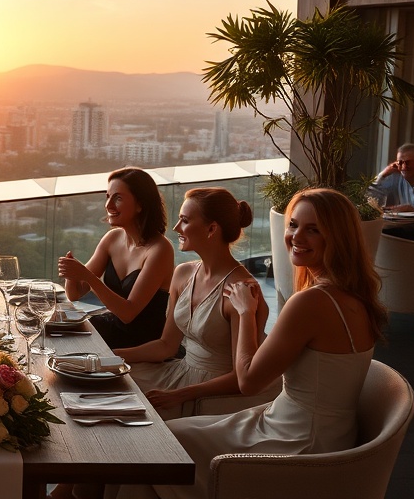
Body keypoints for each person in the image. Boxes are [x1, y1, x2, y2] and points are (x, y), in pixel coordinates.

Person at [140, 188, 385, 499]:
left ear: (337, 238)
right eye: (293, 225)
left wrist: (245, 313)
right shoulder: (355, 296)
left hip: (298, 439)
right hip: (316, 429)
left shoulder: (312, 302)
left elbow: (248, 382)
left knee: (161, 443)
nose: (296, 236)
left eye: (313, 229)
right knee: (168, 437)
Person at [115, 188, 267, 420]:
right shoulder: (184, 273)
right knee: (109, 383)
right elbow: (166, 345)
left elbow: (240, 376)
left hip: (215, 392)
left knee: (132, 411)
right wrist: (110, 356)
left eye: (184, 220)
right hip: (179, 372)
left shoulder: (242, 291)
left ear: (211, 229)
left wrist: (181, 395)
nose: (175, 228)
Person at [58, 167, 175, 348]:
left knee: (65, 342)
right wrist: (72, 275)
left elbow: (128, 313)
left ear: (140, 204)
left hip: (140, 343)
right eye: (108, 197)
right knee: (52, 333)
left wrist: (87, 276)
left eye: (118, 198)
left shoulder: (160, 250)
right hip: (112, 329)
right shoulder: (113, 238)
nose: (108, 205)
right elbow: (75, 294)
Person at [373, 143, 414, 240]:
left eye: (408, 162)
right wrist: (382, 175)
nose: (404, 166)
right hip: (400, 231)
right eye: (400, 163)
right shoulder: (395, 178)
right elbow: (369, 198)